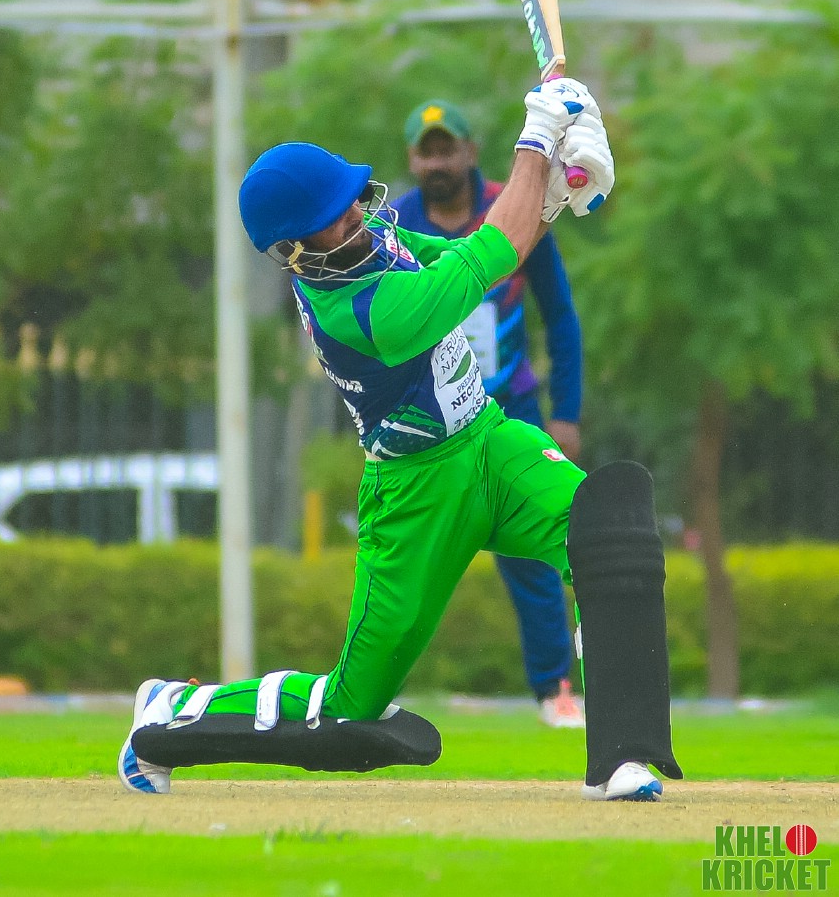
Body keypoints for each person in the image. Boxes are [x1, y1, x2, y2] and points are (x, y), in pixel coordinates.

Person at [118, 78, 682, 801]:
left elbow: (479, 247)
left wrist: (553, 192)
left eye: (350, 198)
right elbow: (488, 255)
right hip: (414, 495)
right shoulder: (361, 313)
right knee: (351, 705)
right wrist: (537, 140)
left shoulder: (374, 238)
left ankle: (620, 756)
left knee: (607, 539)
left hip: (492, 443)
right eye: (333, 215)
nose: (354, 214)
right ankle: (173, 708)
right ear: (295, 248)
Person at [391, 99, 585, 729]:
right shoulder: (395, 224)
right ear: (412, 160)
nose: (438, 163)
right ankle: (374, 691)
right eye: (427, 152)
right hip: (431, 416)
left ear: (470, 152)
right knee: (408, 556)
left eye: (447, 149)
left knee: (532, 550)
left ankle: (556, 688)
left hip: (511, 407)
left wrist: (567, 412)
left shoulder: (510, 210)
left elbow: (560, 317)